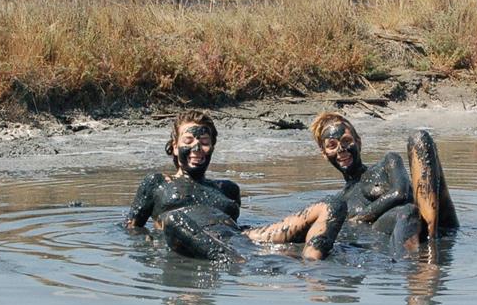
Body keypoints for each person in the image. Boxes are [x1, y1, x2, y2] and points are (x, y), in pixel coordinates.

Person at [127, 110, 346, 263]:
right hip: (185, 238)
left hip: (240, 240)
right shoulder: (156, 182)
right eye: (188, 142)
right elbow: (131, 229)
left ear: (212, 146)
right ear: (175, 147)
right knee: (174, 219)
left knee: (332, 205)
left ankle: (312, 266)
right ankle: (237, 263)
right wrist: (150, 242)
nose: (197, 147)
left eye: (204, 142)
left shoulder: (227, 188)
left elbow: (234, 229)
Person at [310, 112, 458, 252]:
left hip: (429, 222)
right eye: (332, 145)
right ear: (324, 153)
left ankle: (426, 250)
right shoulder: (340, 201)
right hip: (392, 239)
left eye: (346, 141)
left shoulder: (387, 163)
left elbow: (400, 193)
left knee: (419, 138)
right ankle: (406, 260)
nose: (341, 149)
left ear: (358, 142)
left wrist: (359, 217)